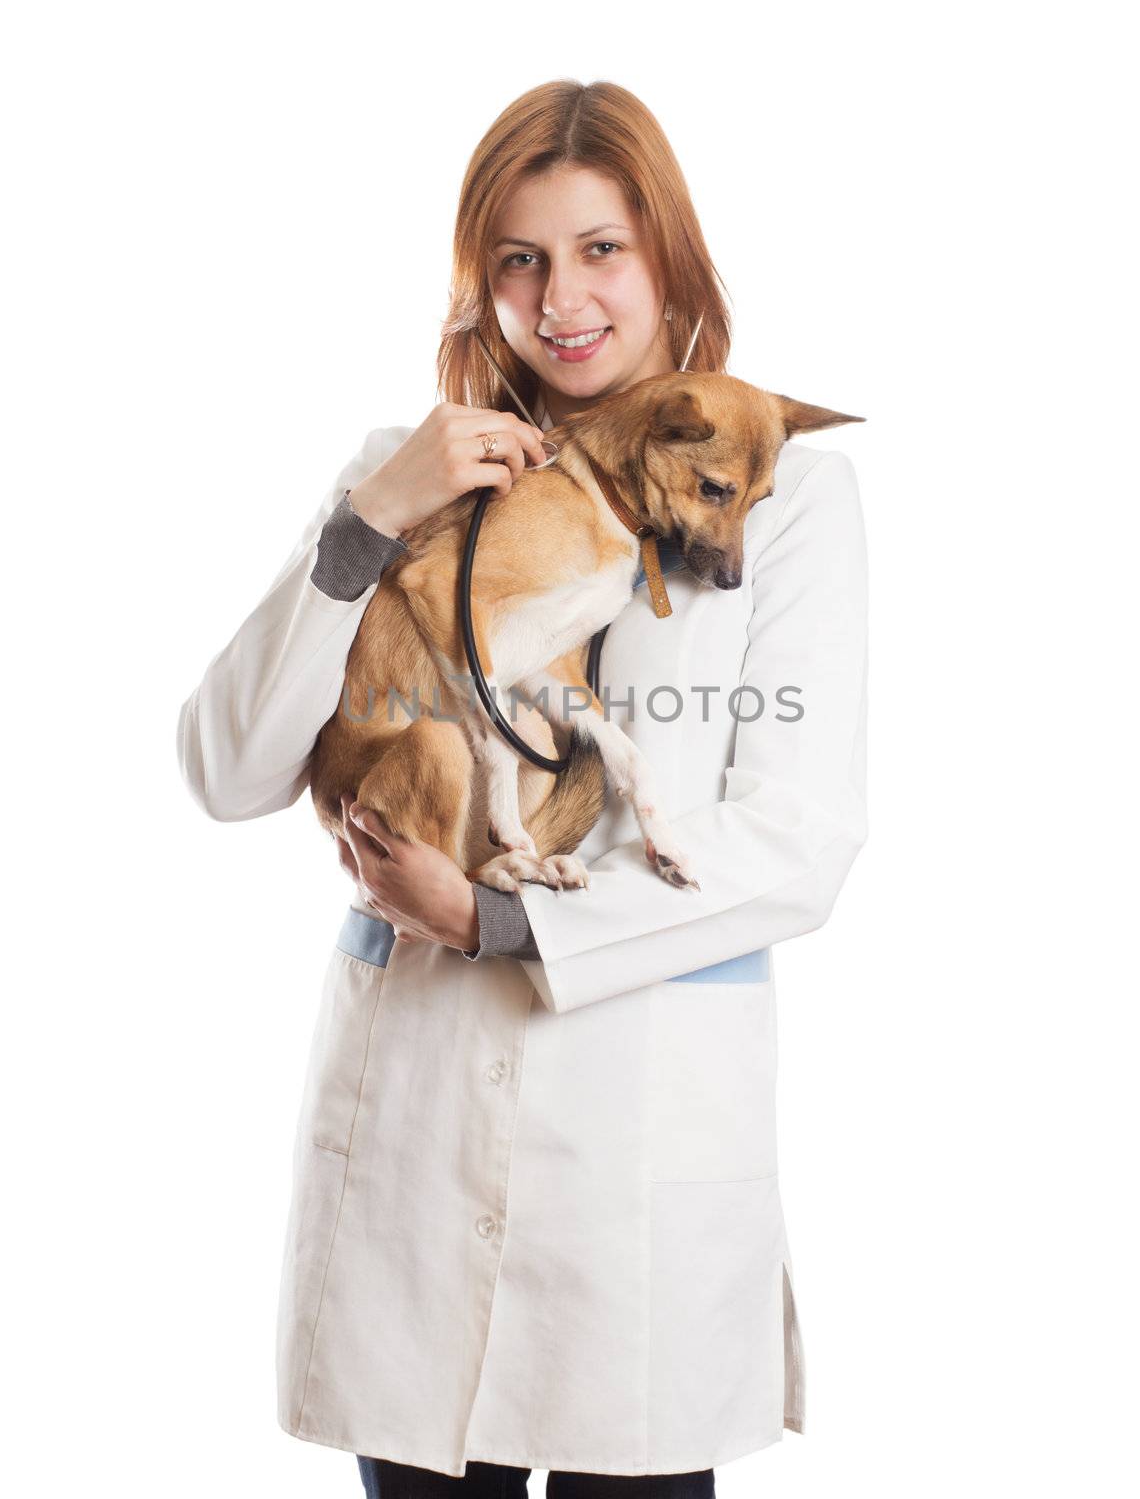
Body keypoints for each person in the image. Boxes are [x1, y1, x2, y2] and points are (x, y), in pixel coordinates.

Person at [176, 79, 868, 1498]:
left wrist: (496, 924)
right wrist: (370, 525)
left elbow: (796, 840)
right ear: (475, 282)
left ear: (669, 255)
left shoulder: (785, 497)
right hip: (417, 1148)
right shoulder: (403, 475)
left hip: (642, 1153)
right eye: (519, 257)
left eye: (602, 248)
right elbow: (228, 767)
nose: (562, 298)